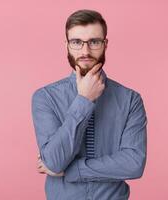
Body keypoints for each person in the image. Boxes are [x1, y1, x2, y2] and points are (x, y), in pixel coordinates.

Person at [31, 9, 147, 200]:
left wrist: (72, 170)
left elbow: (133, 164)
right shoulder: (45, 97)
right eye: (77, 42)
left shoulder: (130, 99)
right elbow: (53, 161)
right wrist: (84, 100)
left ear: (105, 44)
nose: (85, 51)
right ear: (66, 45)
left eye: (94, 42)